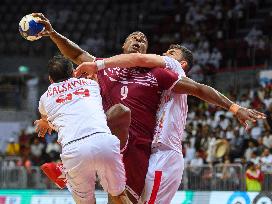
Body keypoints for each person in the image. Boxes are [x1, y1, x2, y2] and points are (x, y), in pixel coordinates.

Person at [33, 13, 266, 203]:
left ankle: (70, 170)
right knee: (118, 113)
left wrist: (234, 108)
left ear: (146, 51)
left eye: (143, 40)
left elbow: (198, 88)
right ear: (123, 45)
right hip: (107, 139)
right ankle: (70, 168)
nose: (138, 40)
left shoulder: (157, 73)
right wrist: (53, 34)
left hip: (138, 149)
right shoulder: (104, 68)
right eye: (133, 37)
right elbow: (74, 53)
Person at [74, 48, 266, 203]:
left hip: (165, 154)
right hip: (154, 153)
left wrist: (234, 107)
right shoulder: (160, 81)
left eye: (172, 52)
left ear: (181, 63)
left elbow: (138, 58)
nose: (165, 54)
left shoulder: (174, 69)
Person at [38, 55, 131, 204]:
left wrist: (44, 123)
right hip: (103, 141)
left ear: (50, 79)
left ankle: (64, 173)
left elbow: (45, 118)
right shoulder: (91, 84)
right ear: (73, 72)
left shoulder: (44, 98)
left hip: (74, 150)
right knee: (119, 196)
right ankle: (63, 172)